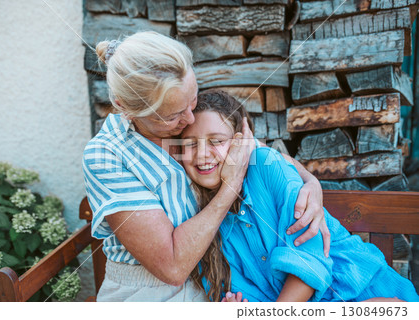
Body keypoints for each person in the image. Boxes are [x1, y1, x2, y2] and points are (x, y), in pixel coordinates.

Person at [82, 31, 329, 302]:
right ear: (124, 107)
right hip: (147, 296)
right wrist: (230, 186)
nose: (189, 118)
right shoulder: (106, 155)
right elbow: (172, 267)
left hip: (207, 287)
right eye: (174, 114)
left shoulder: (182, 120)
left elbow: (256, 151)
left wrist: (310, 183)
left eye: (192, 100)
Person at [181, 90, 419, 302]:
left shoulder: (265, 167)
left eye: (216, 141)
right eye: (190, 144)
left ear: (241, 143)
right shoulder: (204, 222)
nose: (202, 154)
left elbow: (308, 262)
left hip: (360, 290)